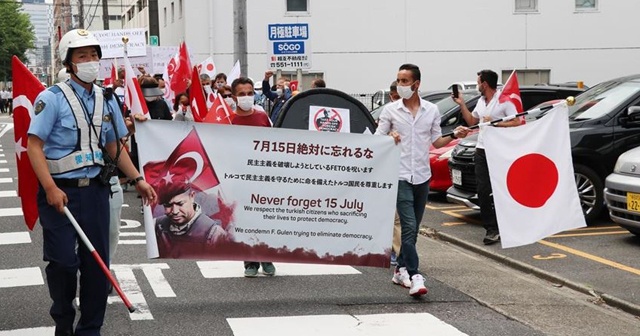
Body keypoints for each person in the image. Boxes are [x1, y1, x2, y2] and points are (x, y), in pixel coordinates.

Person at [26, 28, 156, 336]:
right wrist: (50, 188)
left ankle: (90, 329)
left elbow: (113, 147)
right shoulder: (52, 98)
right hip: (60, 195)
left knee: (97, 266)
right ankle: (63, 321)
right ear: (69, 63)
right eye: (82, 56)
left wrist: (137, 178)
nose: (90, 61)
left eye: (94, 55)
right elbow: (34, 146)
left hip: (97, 192)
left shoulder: (106, 98)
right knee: (63, 264)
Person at [375, 64, 469, 297]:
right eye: (398, 80)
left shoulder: (431, 110)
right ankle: (416, 275)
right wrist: (389, 136)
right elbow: (377, 140)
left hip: (422, 176)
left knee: (413, 228)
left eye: (404, 81)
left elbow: (437, 142)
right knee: (407, 225)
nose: (400, 85)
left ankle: (400, 270)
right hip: (400, 175)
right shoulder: (390, 111)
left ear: (416, 84)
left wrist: (455, 135)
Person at [453, 69, 521, 245]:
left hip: (501, 151)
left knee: (503, 189)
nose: (477, 86)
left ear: (484, 84)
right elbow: (472, 121)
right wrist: (461, 104)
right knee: (483, 190)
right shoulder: (481, 102)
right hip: (481, 150)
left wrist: (497, 123)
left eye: (478, 83)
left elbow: (519, 121)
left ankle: (510, 226)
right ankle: (491, 229)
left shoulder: (504, 100)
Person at [230, 77, 275, 277]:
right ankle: (250, 261)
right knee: (244, 218)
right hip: (237, 177)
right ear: (234, 97)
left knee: (263, 217)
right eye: (242, 94)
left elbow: (275, 142)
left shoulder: (262, 116)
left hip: (262, 176)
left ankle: (266, 256)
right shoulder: (226, 119)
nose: (247, 97)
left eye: (250, 93)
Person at [154, 181, 230, 258]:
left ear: (192, 196)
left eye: (180, 204)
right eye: (168, 205)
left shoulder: (214, 233)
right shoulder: (155, 225)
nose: (175, 211)